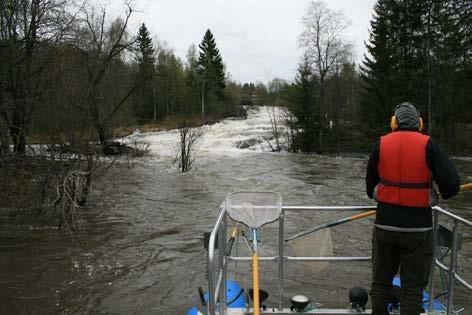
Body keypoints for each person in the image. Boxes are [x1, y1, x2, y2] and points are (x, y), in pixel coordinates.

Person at [365, 102, 460, 315]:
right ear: (419, 123)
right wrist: (436, 191)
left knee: (380, 284)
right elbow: (452, 187)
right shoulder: (430, 145)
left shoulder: (381, 144)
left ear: (394, 123)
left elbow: (369, 188)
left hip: (385, 225)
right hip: (418, 229)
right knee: (412, 290)